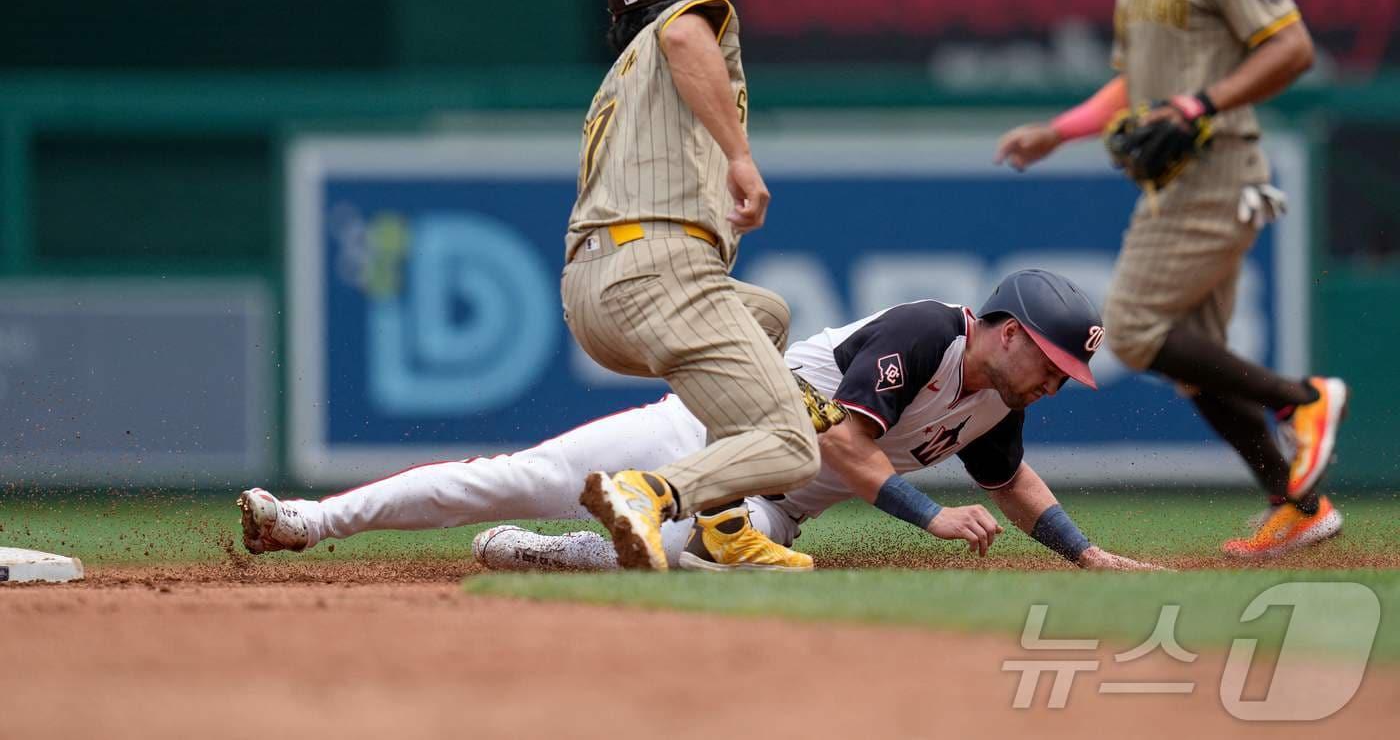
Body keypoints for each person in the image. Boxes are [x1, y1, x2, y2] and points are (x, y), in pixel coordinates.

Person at [238, 270, 1157, 572]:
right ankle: (305, 521)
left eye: (1069, 369)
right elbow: (843, 440)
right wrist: (929, 514)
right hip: (700, 439)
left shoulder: (1000, 394)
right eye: (1051, 358)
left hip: (772, 510)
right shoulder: (927, 331)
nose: (1058, 378)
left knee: (714, 562)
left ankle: (546, 552)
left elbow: (1009, 482)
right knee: (509, 475)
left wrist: (1083, 552)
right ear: (1002, 328)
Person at [993, 0, 1344, 558]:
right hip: (1175, 179)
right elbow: (1136, 83)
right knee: (1196, 365)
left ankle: (1302, 401)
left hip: (1217, 169)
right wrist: (1059, 130)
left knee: (1132, 329)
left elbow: (1294, 47)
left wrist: (1201, 103)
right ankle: (1299, 503)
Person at [556, 0, 828, 572]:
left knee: (767, 316)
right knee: (790, 445)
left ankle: (726, 528)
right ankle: (649, 491)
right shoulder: (682, 25)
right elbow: (684, 34)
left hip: (593, 291)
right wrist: (739, 156)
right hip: (658, 268)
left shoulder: (616, 80)